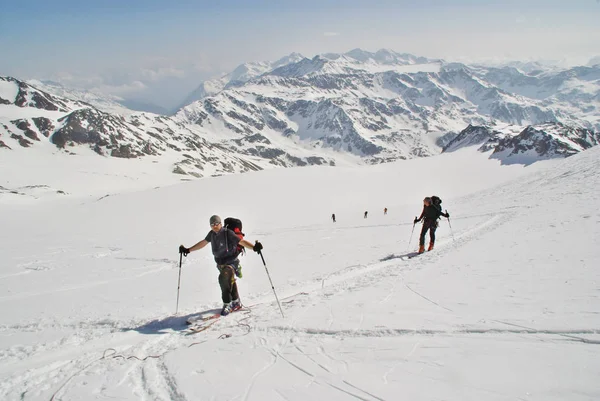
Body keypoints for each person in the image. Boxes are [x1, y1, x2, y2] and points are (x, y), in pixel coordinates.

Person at [179, 215, 263, 316]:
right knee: (229, 281)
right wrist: (188, 250)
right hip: (220, 263)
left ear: (220, 224)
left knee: (223, 278)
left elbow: (241, 242)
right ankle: (236, 302)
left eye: (216, 224)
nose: (214, 226)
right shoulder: (212, 234)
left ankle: (227, 304)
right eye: (212, 224)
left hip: (231, 262)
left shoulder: (228, 233)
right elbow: (203, 243)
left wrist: (254, 248)